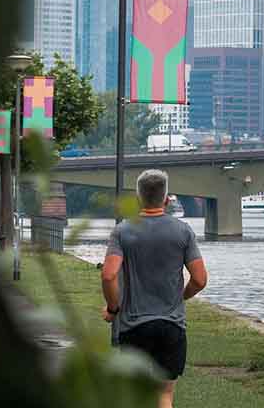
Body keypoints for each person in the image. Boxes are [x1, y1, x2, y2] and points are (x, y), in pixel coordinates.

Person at [101, 170, 207, 408]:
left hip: (132, 326)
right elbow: (199, 280)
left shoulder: (122, 231)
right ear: (167, 199)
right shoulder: (183, 231)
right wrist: (180, 298)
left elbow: (109, 276)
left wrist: (113, 308)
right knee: (164, 395)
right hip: (171, 325)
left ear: (138, 199)